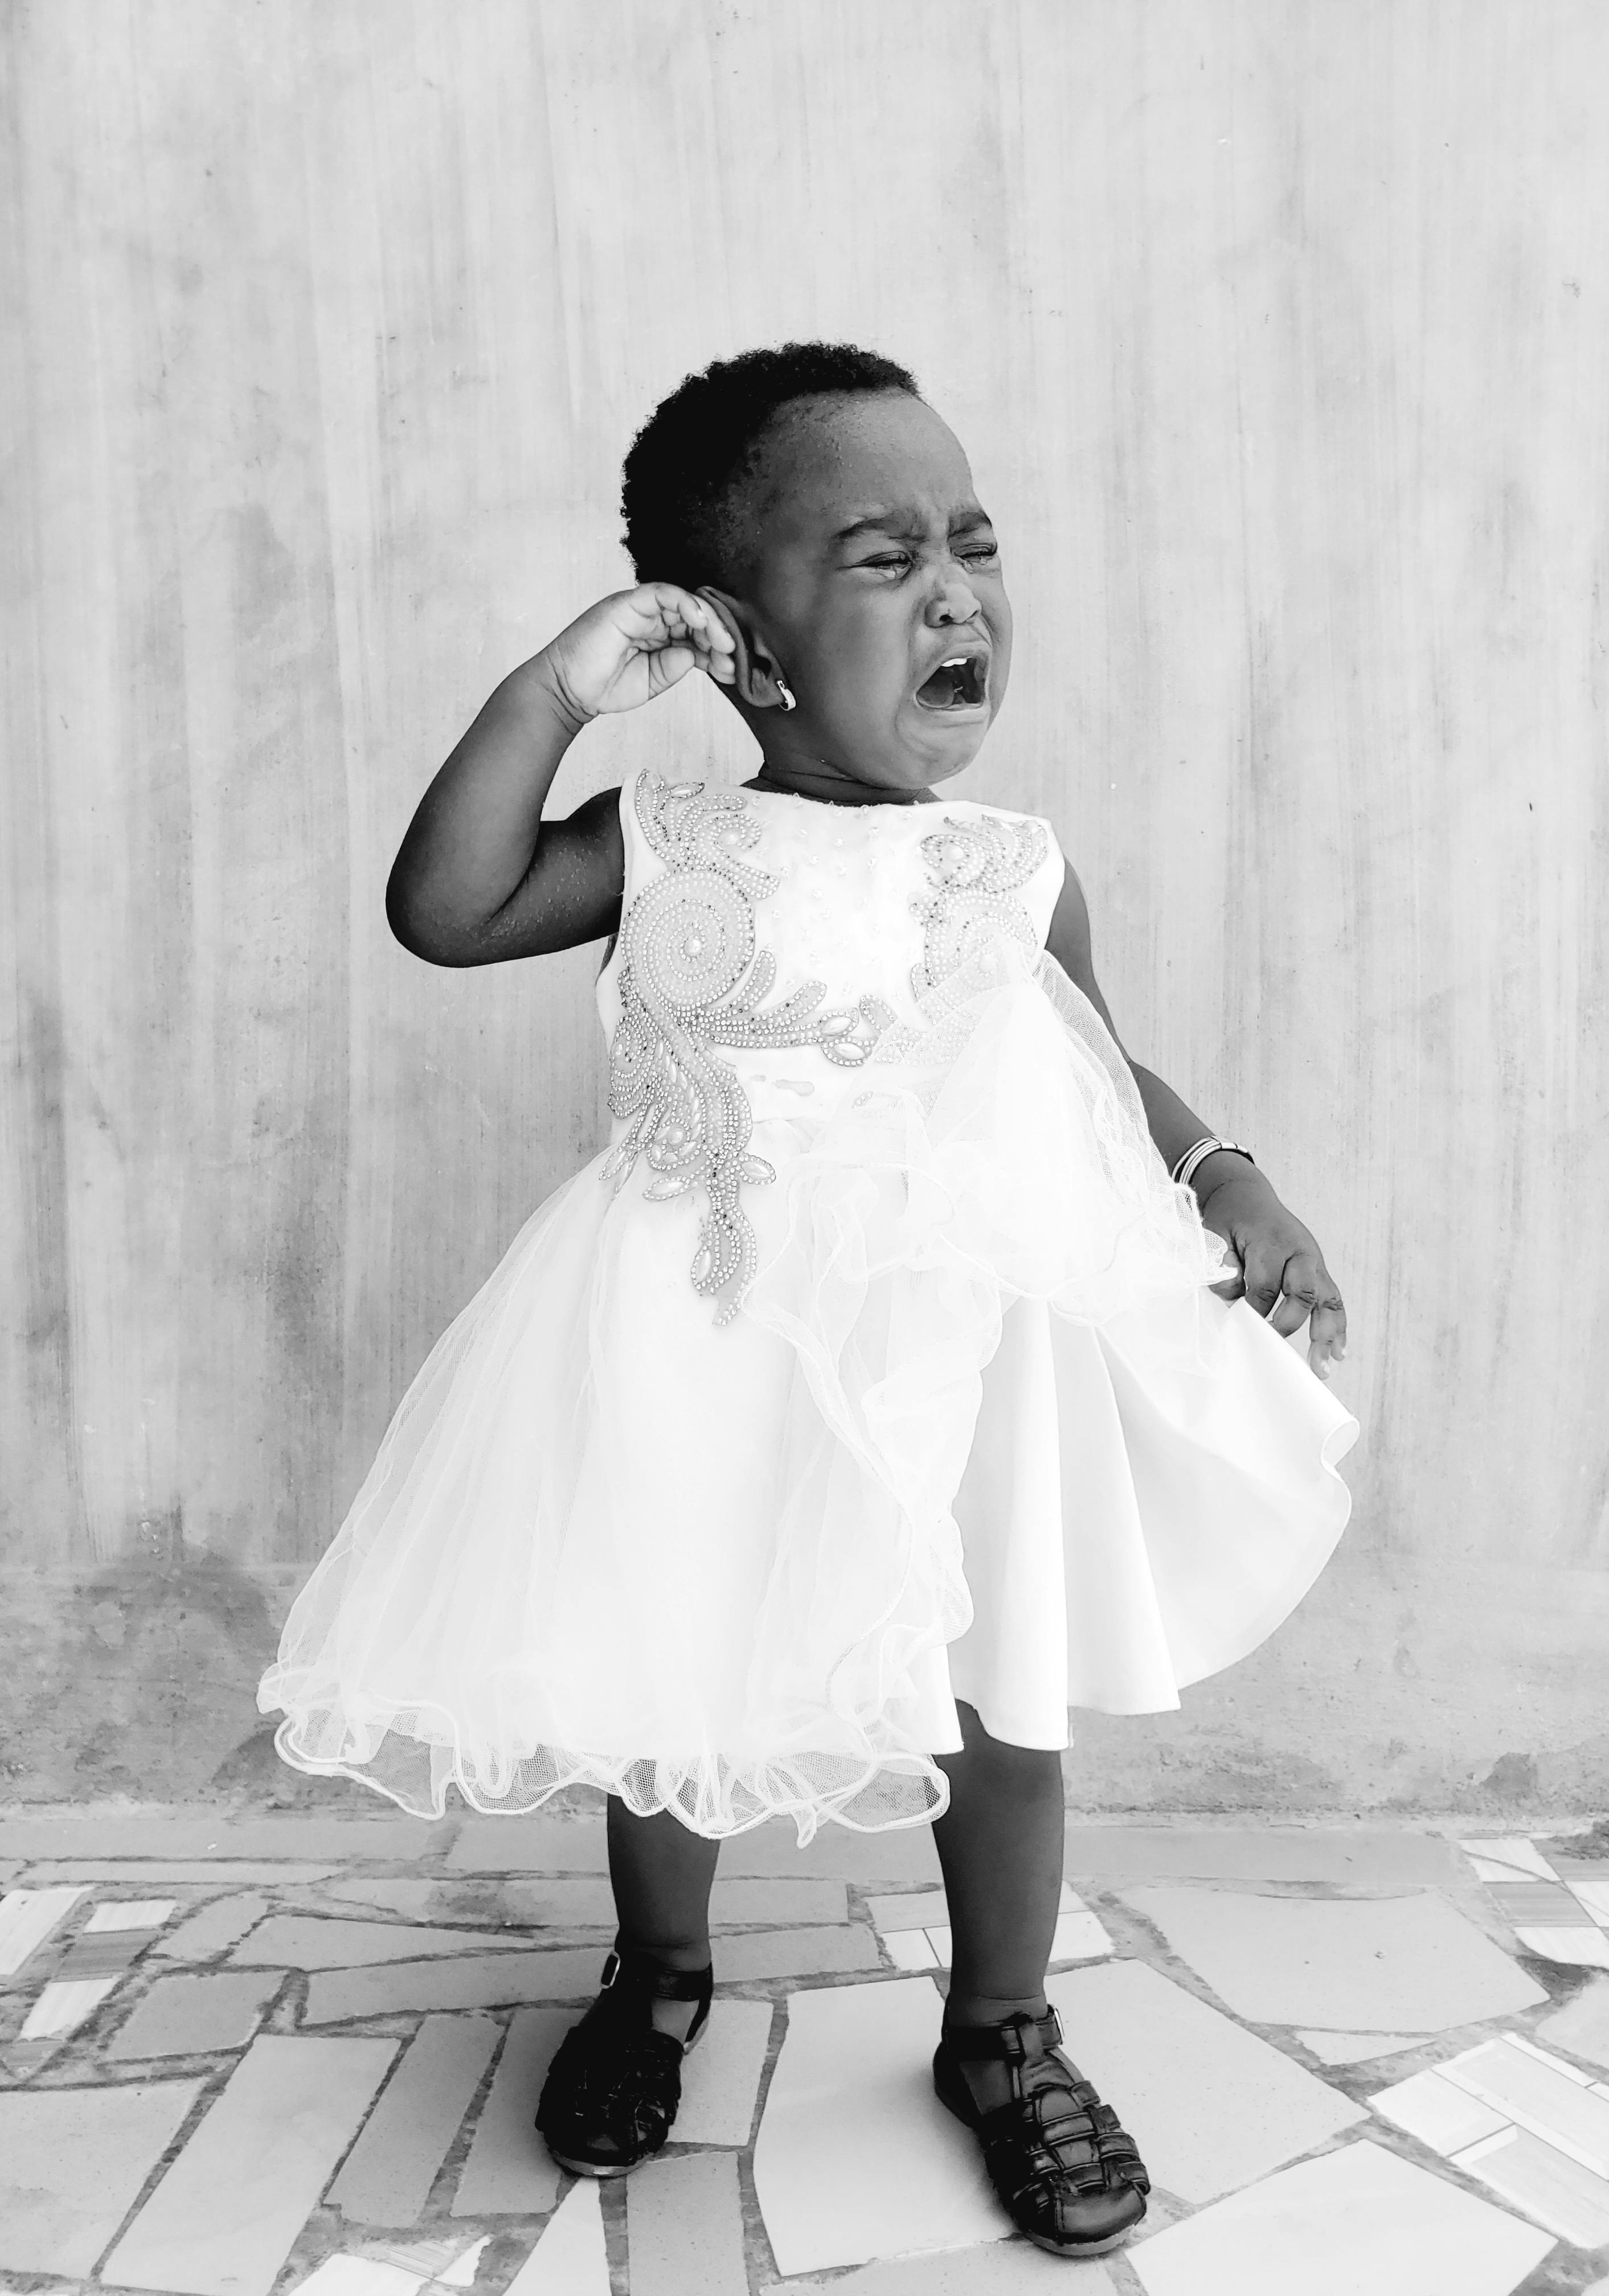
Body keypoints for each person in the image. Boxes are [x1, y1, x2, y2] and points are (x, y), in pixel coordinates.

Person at [258, 342, 1358, 2261]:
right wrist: (559, 688)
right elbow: (443, 905)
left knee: (995, 1691)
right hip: (707, 1327)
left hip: (965, 1339)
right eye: (879, 556)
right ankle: (657, 1975)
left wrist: (1225, 1171)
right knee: (667, 1663)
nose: (955, 592)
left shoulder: (1010, 870)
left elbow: (1096, 1069)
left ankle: (1002, 2030)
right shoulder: (673, 842)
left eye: (976, 547)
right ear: (735, 637)